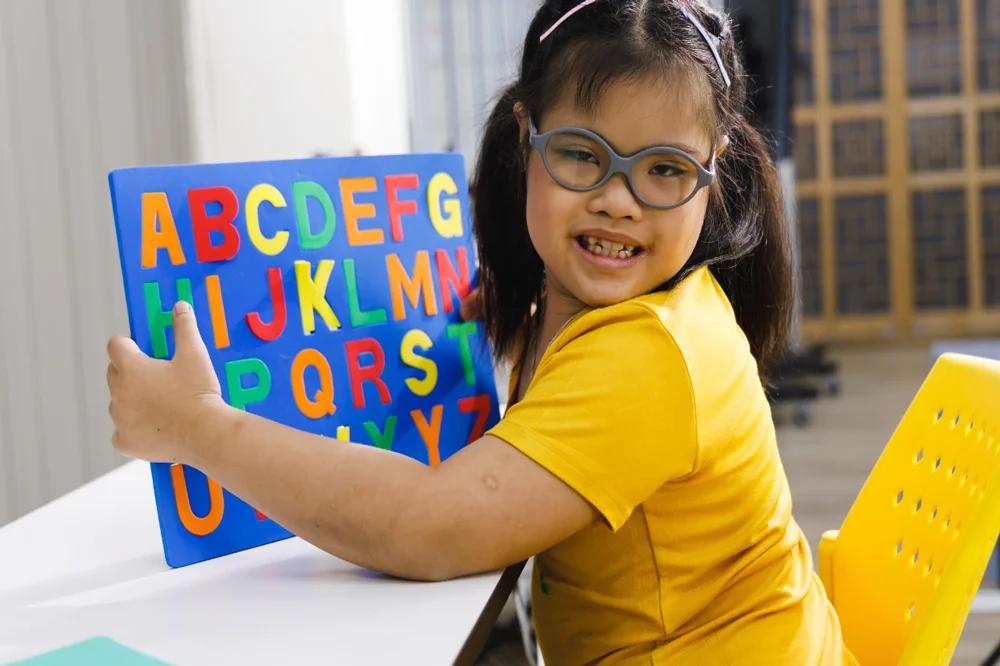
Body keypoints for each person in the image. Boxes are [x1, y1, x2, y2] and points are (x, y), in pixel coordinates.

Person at [105, 1, 856, 663]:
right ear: (528, 135)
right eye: (580, 156)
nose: (619, 201)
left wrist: (196, 427)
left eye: (664, 170)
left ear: (713, 169)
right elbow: (489, 315)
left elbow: (426, 529)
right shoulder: (575, 304)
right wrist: (354, 239)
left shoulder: (652, 353)